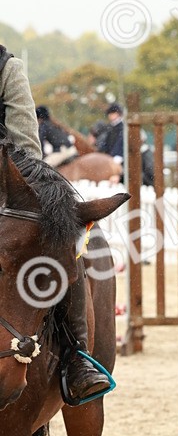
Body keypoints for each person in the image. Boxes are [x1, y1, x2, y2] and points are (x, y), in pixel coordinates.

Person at [0, 46, 113, 401]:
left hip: (5, 188)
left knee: (61, 239)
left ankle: (75, 355)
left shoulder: (6, 68)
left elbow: (26, 146)